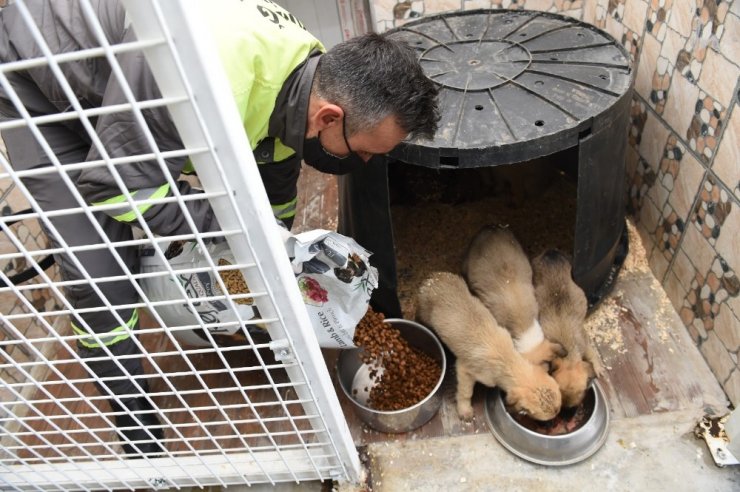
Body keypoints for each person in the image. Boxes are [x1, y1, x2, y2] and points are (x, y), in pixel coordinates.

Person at [0, 0, 439, 456]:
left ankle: (257, 333)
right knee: (99, 271)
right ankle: (134, 415)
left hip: (129, 83)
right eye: (363, 150)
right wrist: (232, 233)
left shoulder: (305, 73)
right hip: (40, 77)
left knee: (224, 218)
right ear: (328, 116)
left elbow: (276, 180)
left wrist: (278, 250)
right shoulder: (207, 71)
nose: (364, 162)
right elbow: (117, 188)